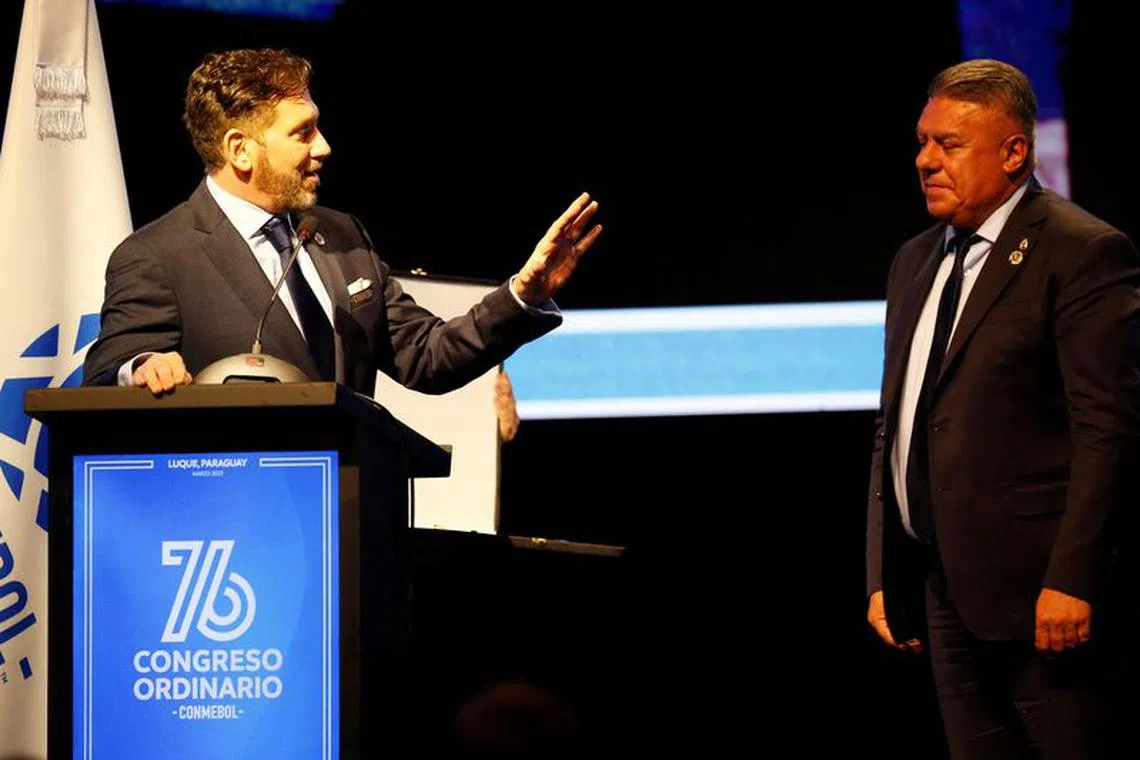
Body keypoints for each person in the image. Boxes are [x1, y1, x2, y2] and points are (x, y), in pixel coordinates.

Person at [864, 58, 1140, 758]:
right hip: (942, 596)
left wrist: (1072, 578)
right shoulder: (913, 261)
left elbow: (1106, 430)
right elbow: (895, 425)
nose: (925, 160)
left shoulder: (1081, 252)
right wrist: (882, 571)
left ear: (1014, 152)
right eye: (923, 142)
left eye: (948, 144)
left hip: (1042, 601)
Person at [82, 48, 601, 396]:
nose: (324, 147)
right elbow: (111, 367)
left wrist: (522, 296)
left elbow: (426, 356)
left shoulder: (340, 236)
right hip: (232, 509)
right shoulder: (158, 255)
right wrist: (143, 367)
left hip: (348, 504)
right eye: (302, 133)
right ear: (240, 149)